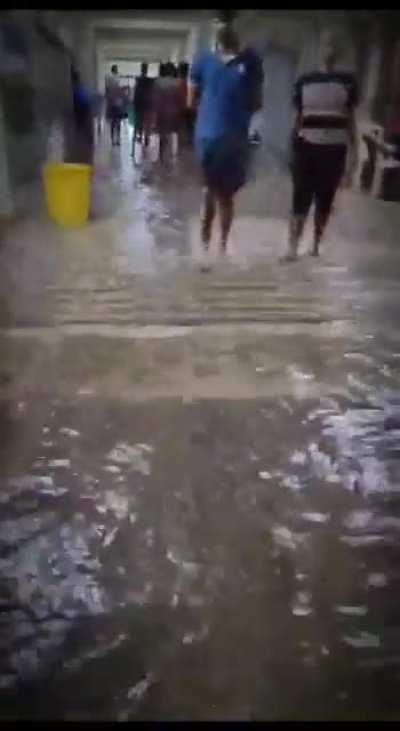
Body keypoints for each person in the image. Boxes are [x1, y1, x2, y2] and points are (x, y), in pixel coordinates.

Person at [188, 26, 264, 269]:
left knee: (208, 193)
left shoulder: (203, 62)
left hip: (207, 137)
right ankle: (221, 247)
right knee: (226, 197)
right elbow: (257, 103)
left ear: (216, 43)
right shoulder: (250, 64)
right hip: (234, 138)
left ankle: (204, 248)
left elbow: (190, 102)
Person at [281, 30, 358, 262]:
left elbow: (350, 118)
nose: (329, 50)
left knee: (325, 199)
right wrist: (291, 147)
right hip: (306, 146)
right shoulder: (305, 81)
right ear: (319, 50)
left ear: (339, 52)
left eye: (333, 45)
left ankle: (315, 244)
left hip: (335, 148)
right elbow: (299, 118)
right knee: (300, 197)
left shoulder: (348, 82)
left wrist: (354, 154)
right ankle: (292, 247)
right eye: (325, 45)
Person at [154, 61, 184, 168]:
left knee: (162, 135)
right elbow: (179, 99)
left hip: (161, 111)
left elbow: (155, 99)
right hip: (173, 111)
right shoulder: (177, 83)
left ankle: (161, 156)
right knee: (172, 134)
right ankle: (169, 158)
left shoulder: (158, 82)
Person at [67, 66, 94, 165]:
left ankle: (82, 159)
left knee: (81, 138)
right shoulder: (81, 88)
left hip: (81, 113)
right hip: (84, 113)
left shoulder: (76, 90)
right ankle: (85, 159)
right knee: (84, 138)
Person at [133, 63, 154, 147]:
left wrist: (135, 103)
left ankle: (140, 136)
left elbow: (136, 93)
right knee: (146, 123)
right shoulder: (149, 81)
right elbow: (151, 93)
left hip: (140, 104)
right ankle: (145, 138)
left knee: (140, 122)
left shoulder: (139, 80)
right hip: (147, 104)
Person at [105, 64, 124, 146]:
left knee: (114, 123)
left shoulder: (109, 80)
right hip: (116, 105)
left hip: (114, 104)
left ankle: (114, 139)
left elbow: (107, 91)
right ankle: (116, 139)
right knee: (117, 123)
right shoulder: (115, 79)